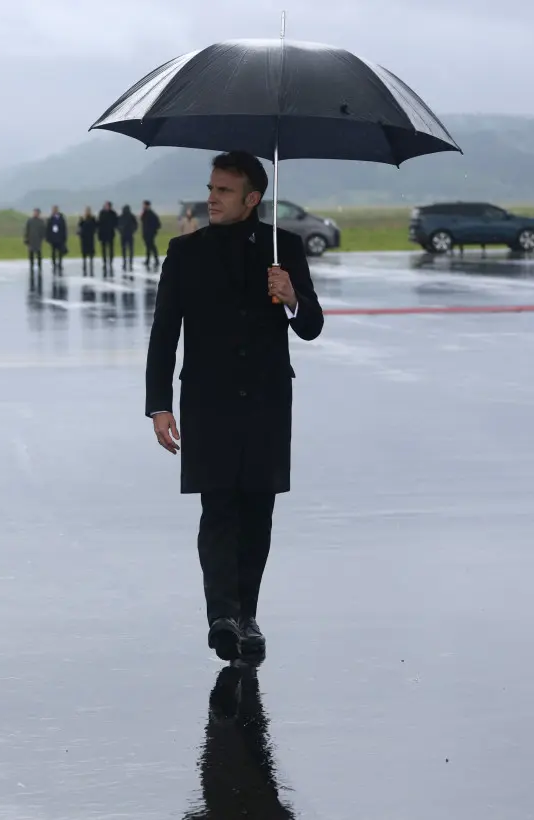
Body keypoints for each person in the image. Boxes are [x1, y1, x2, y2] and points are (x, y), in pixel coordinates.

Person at [145, 151, 324, 662]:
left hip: (267, 400)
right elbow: (164, 333)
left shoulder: (283, 247)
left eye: (223, 190)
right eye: (211, 187)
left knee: (258, 513)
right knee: (218, 509)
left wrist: (291, 296)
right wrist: (159, 404)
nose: (211, 198)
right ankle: (221, 615)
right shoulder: (184, 251)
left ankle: (247, 614)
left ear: (252, 198)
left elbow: (311, 325)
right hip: (208, 399)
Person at [98, 202, 119, 271]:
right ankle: (104, 262)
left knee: (111, 249)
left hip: (110, 234)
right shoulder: (102, 213)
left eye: (107, 206)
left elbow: (116, 223)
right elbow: (99, 224)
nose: (106, 207)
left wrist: (112, 227)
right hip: (103, 234)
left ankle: (110, 261)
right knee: (103, 249)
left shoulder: (113, 213)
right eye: (105, 206)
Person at [140, 200, 162, 269]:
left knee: (152, 247)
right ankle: (148, 260)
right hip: (146, 233)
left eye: (144, 205)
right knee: (148, 247)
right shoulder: (145, 213)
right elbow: (142, 220)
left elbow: (158, 225)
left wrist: (153, 231)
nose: (143, 206)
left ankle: (156, 260)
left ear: (147, 205)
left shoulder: (152, 214)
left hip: (150, 234)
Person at [46, 206, 67, 273]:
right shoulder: (50, 219)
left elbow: (64, 228)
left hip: (60, 238)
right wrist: (48, 238)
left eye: (55, 209)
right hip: (53, 238)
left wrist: (64, 237)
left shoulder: (61, 218)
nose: (54, 211)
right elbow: (48, 229)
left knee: (60, 252)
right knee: (53, 252)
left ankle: (60, 263)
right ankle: (54, 264)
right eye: (53, 210)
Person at [77, 207, 98, 274]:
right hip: (84, 238)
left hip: (90, 237)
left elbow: (95, 226)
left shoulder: (92, 219)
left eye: (88, 211)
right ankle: (84, 264)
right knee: (84, 252)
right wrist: (81, 220)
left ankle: (91, 263)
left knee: (91, 252)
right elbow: (80, 226)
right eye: (86, 211)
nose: (87, 212)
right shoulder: (83, 219)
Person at [24, 208, 45, 273]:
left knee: (38, 253)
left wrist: (42, 237)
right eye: (34, 212)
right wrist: (26, 238)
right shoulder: (30, 221)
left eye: (36, 212)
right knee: (31, 253)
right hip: (31, 239)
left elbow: (43, 230)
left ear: (39, 213)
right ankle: (31, 265)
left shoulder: (41, 221)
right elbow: (27, 230)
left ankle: (39, 265)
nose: (35, 213)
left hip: (38, 240)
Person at [118, 205, 137, 271]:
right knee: (130, 250)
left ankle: (125, 263)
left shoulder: (122, 217)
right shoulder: (131, 216)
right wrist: (133, 231)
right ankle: (129, 263)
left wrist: (121, 231)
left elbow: (118, 225)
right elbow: (135, 225)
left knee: (125, 250)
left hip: (124, 235)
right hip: (129, 235)